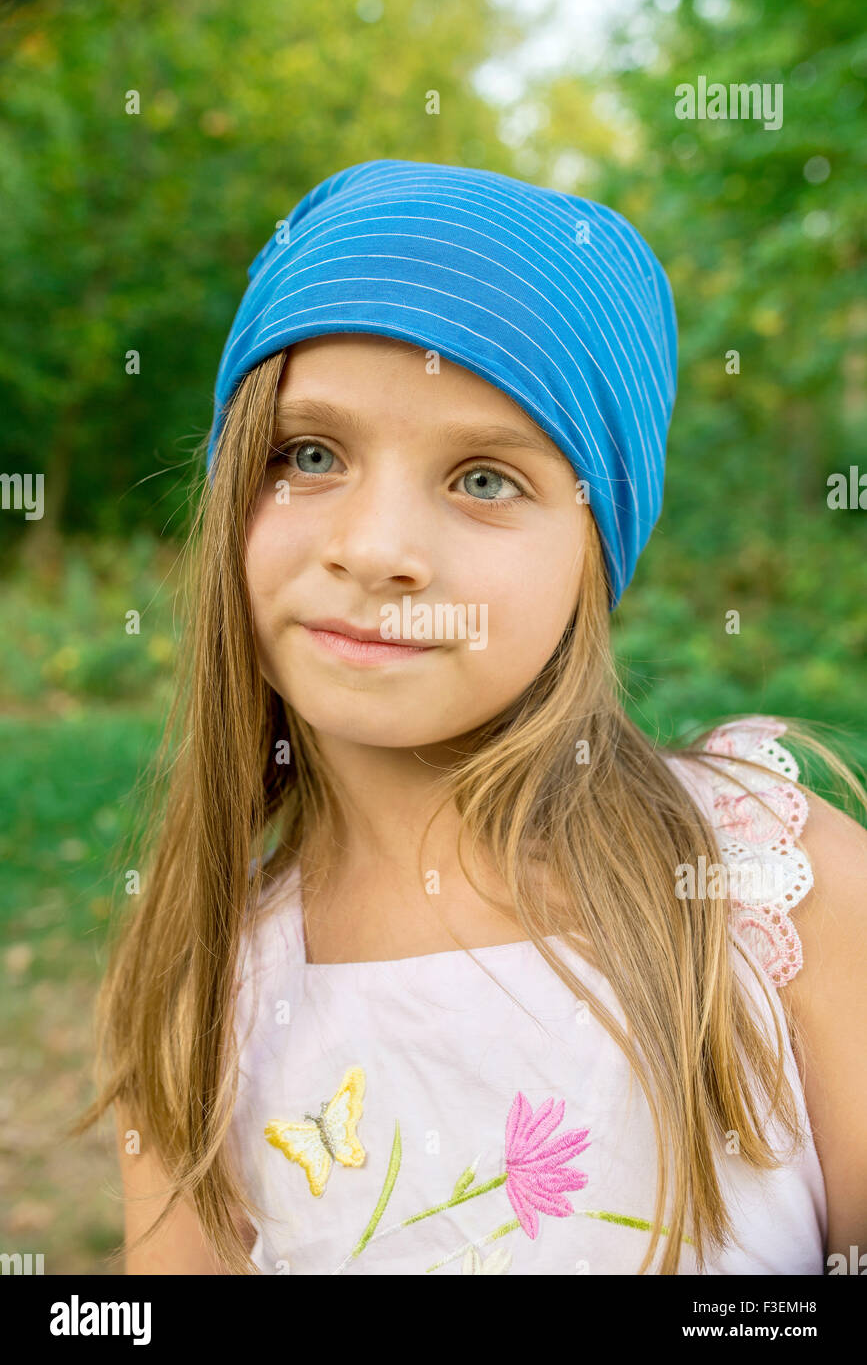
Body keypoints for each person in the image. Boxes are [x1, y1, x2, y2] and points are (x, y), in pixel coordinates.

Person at [73, 159, 867, 1275]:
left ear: (595, 553)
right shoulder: (201, 991)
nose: (378, 547)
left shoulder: (777, 890)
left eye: (485, 479)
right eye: (309, 456)